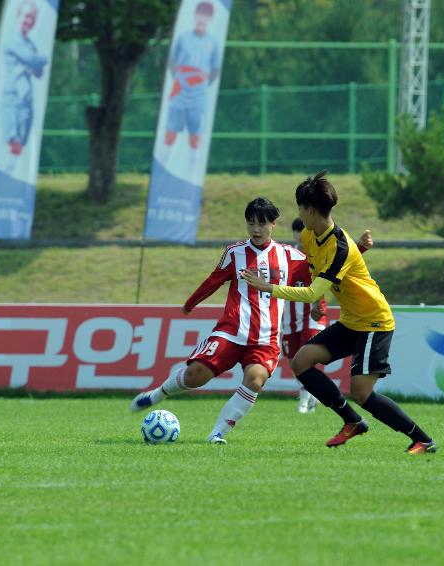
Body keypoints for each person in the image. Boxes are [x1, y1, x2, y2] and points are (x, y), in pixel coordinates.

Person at [241, 171, 436, 454]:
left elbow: (313, 290)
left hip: (374, 321)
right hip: (351, 321)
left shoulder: (340, 245)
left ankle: (422, 439)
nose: (299, 214)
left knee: (361, 392)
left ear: (309, 210)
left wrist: (267, 287)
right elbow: (315, 275)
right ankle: (352, 421)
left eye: (300, 208)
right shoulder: (310, 236)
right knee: (301, 362)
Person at [130, 197, 307, 444]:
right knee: (196, 376)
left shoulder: (291, 256)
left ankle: (218, 433)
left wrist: (359, 250)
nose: (256, 229)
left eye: (261, 224)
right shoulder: (235, 253)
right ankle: (159, 394)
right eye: (251, 223)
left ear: (273, 224)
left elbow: (323, 272)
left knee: (255, 380)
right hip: (231, 331)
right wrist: (190, 303)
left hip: (266, 339)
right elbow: (214, 280)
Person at [282, 217, 373, 413]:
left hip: (313, 317)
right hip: (289, 320)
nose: (300, 235)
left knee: (307, 359)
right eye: (297, 231)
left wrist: (361, 247)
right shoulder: (288, 256)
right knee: (294, 362)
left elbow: (341, 262)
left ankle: (304, 403)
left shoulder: (320, 251)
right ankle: (312, 395)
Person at [156, 1, 221, 174]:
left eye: (206, 16)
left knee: (195, 134)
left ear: (210, 19)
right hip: (179, 94)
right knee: (171, 132)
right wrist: (180, 79)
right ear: (195, 15)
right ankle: (162, 166)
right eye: (200, 14)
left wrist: (201, 83)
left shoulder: (213, 43)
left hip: (198, 96)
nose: (202, 18)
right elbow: (172, 61)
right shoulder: (183, 38)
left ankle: (193, 170)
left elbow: (215, 69)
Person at [1, 0, 48, 167]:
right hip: (14, 100)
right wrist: (41, 59)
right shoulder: (13, 40)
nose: (29, 21)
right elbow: (34, 60)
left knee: (21, 149)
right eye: (27, 16)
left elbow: (38, 72)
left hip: (26, 102)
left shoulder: (30, 44)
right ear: (18, 15)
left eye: (33, 18)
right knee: (13, 145)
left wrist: (37, 62)